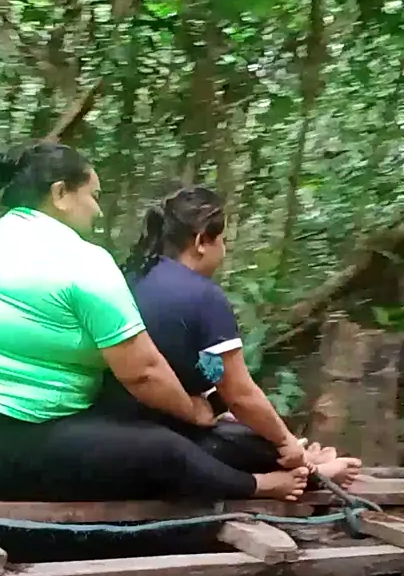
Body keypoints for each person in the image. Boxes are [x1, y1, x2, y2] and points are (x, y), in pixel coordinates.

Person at [0, 143, 308, 503]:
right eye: (92, 195)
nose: (97, 209)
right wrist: (196, 411)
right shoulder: (83, 262)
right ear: (60, 193)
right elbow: (145, 373)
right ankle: (258, 486)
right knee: (163, 448)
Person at [98, 186, 361, 491]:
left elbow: (208, 369)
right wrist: (285, 442)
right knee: (262, 443)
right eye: (222, 240)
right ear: (201, 242)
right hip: (168, 434)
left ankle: (300, 455)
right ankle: (315, 471)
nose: (224, 250)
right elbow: (240, 394)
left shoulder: (128, 278)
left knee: (243, 429)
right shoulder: (202, 296)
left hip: (111, 425)